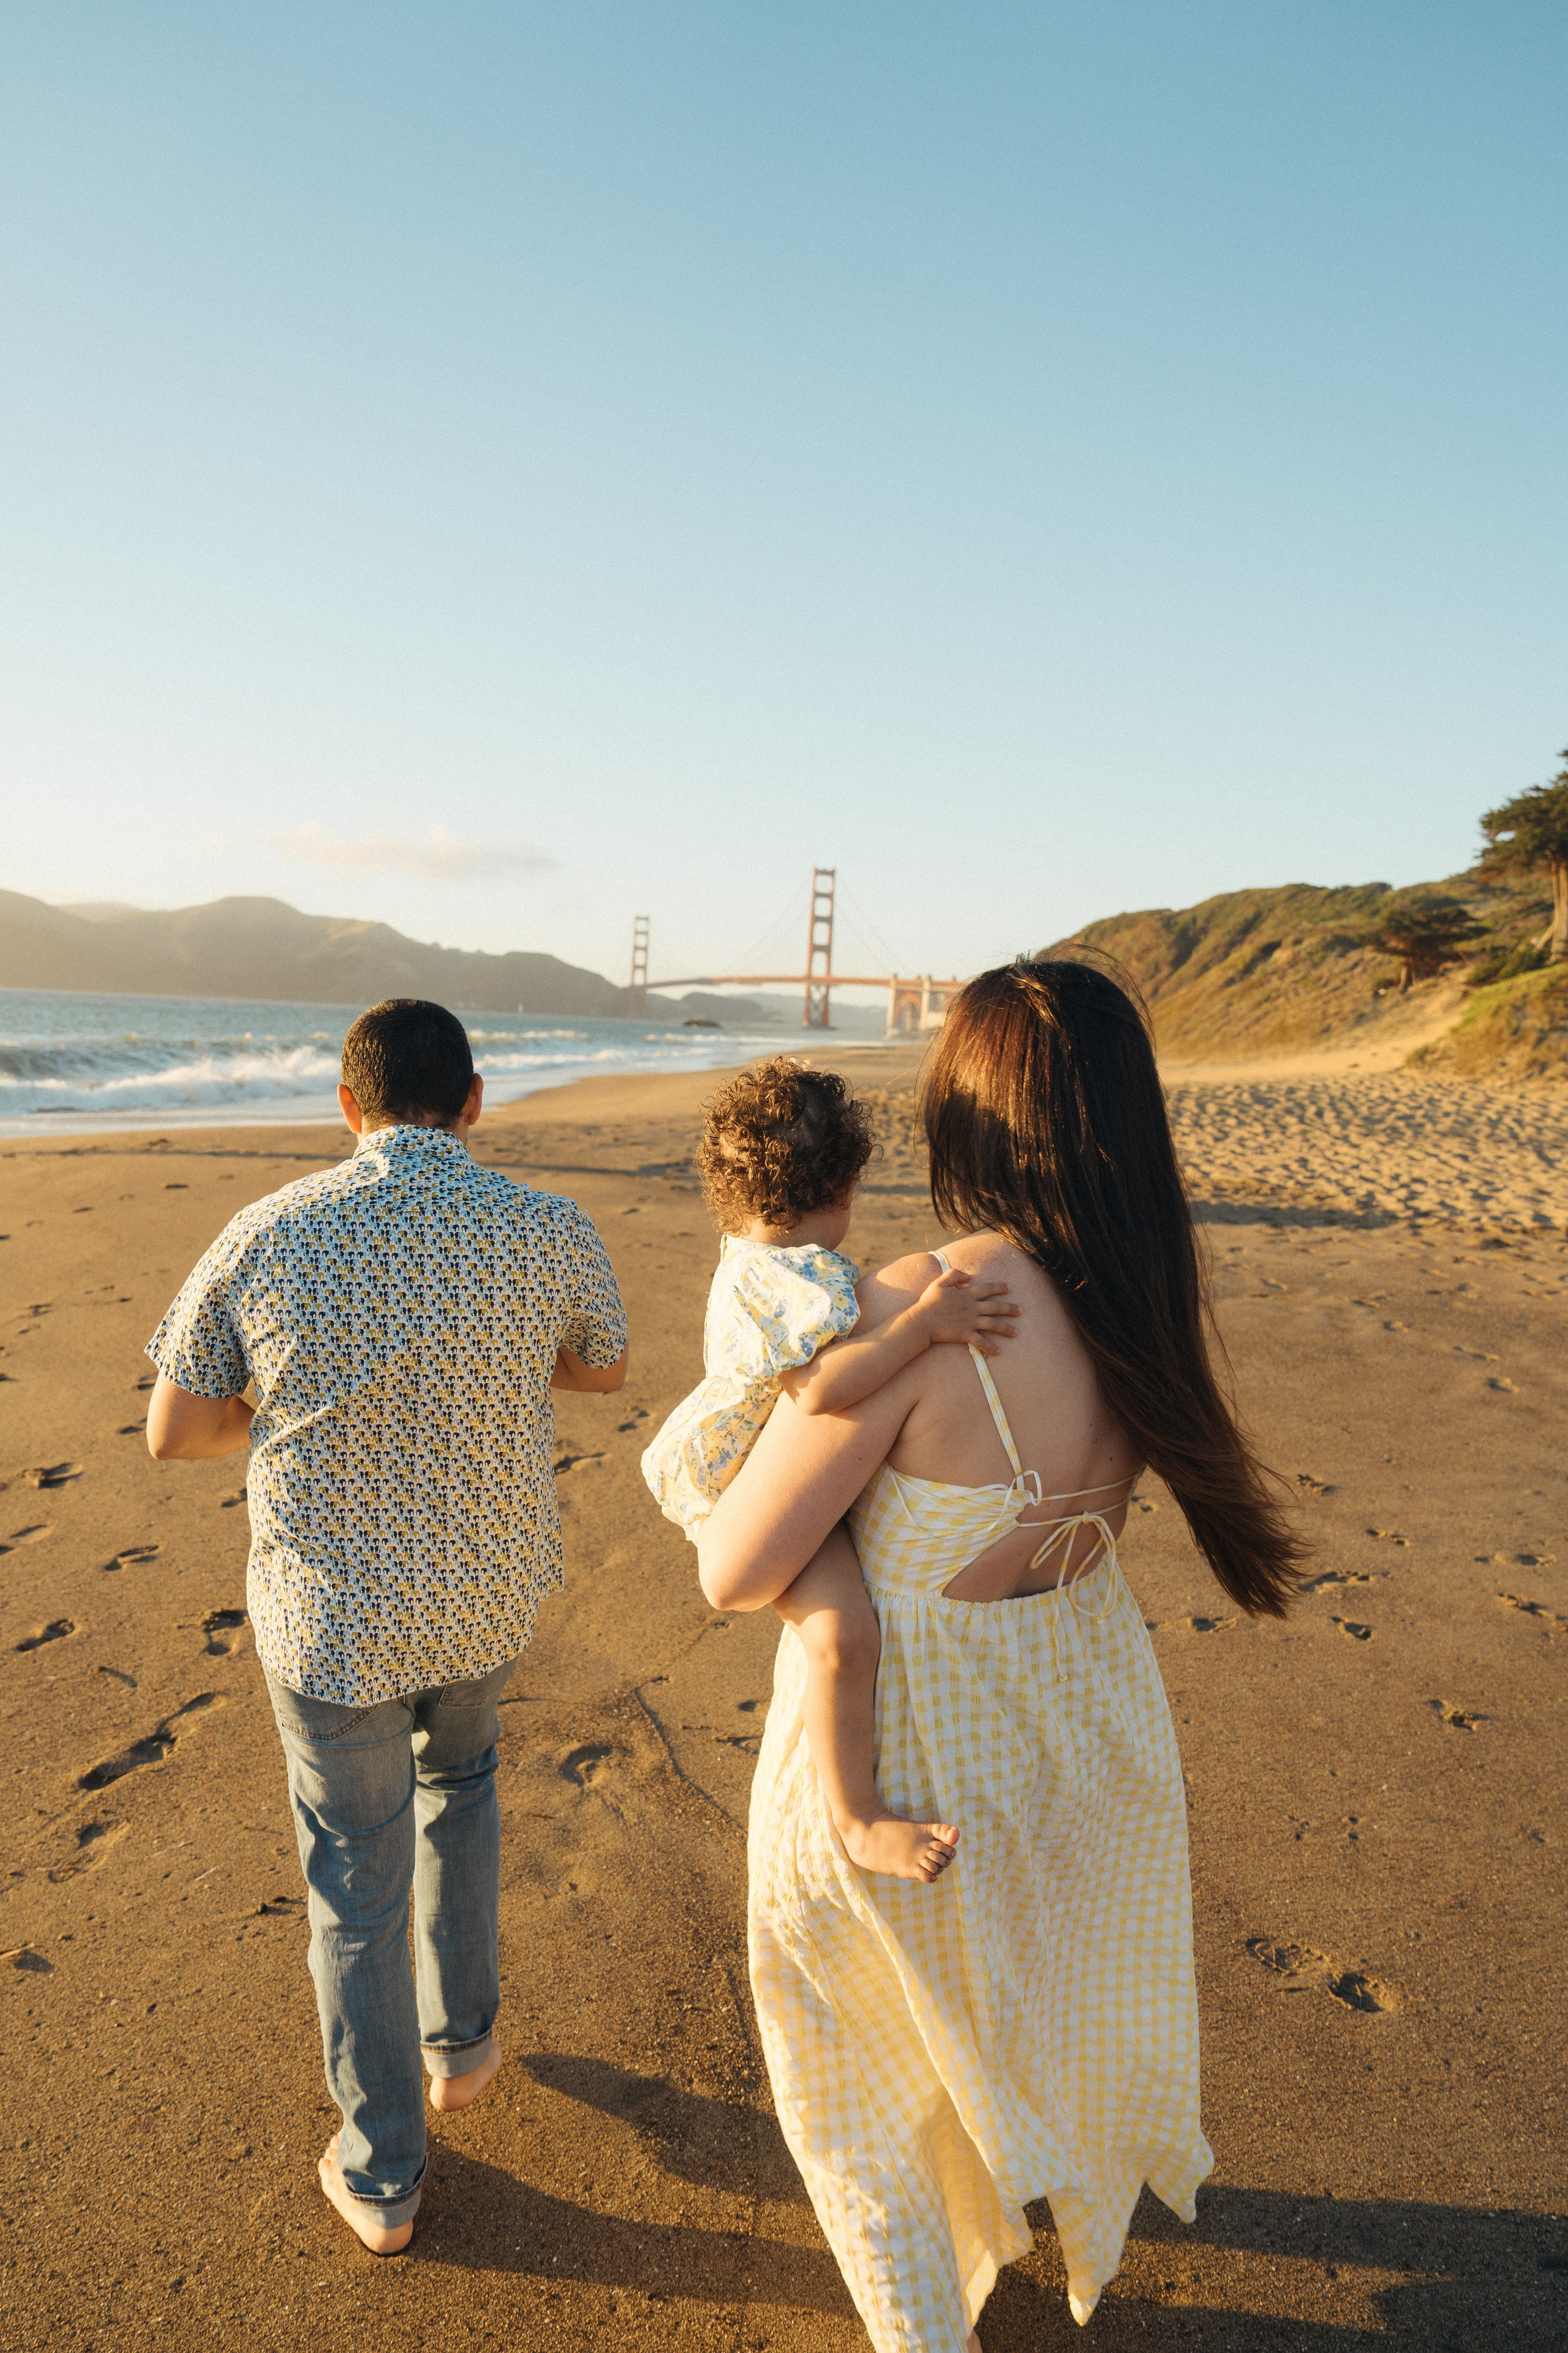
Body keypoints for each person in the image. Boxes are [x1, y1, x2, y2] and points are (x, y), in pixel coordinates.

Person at [694, 961, 1304, 2349]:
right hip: (1066, 1727)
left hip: (906, 1757)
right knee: (998, 2016)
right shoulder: (1141, 1287)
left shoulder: (937, 1296)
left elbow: (732, 1567)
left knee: (853, 2070)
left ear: (969, 1109)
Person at [145, 998, 627, 2256]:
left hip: (334, 1614)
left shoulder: (270, 1231)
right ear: (472, 1102)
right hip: (482, 1596)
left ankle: (383, 2175)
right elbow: (603, 1364)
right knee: (460, 1788)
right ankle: (462, 2052)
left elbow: (174, 1429)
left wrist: (294, 1399)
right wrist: (496, 1357)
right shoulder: (547, 1224)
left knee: (355, 1879)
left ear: (346, 1105)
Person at [641, 1057, 1020, 1883]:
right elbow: (819, 1390)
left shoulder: (773, 1260)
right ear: (846, 1189)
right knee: (843, 1634)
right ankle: (858, 1819)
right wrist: (925, 1325)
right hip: (740, 1481)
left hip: (759, 1463)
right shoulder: (775, 1280)